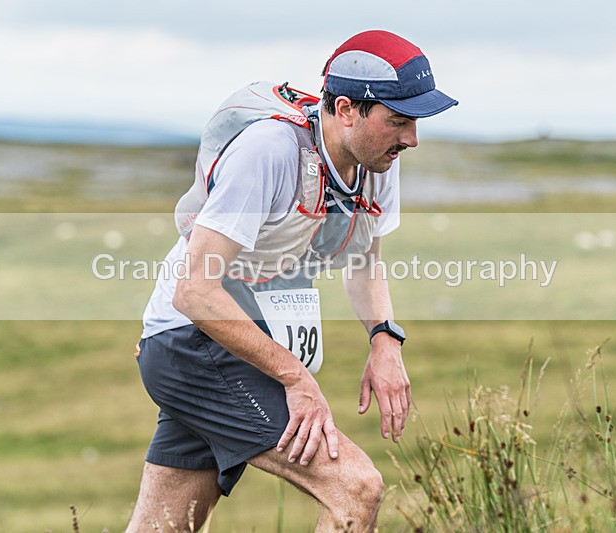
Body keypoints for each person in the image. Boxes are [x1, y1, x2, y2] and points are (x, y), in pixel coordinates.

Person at [127, 30, 458, 532]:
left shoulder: (376, 162)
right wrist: (296, 379)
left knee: (165, 526)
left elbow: (365, 260)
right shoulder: (270, 151)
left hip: (240, 342)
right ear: (346, 109)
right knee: (356, 488)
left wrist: (385, 342)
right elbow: (195, 289)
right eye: (399, 121)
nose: (410, 139)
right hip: (196, 341)